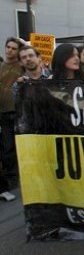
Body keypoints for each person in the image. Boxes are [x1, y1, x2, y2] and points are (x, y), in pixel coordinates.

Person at [0, 37, 25, 194]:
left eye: (13, 48)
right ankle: (12, 178)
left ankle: (22, 175)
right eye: (8, 47)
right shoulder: (1, 66)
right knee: (7, 147)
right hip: (3, 112)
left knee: (21, 145)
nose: (9, 50)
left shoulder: (22, 65)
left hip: (18, 111)